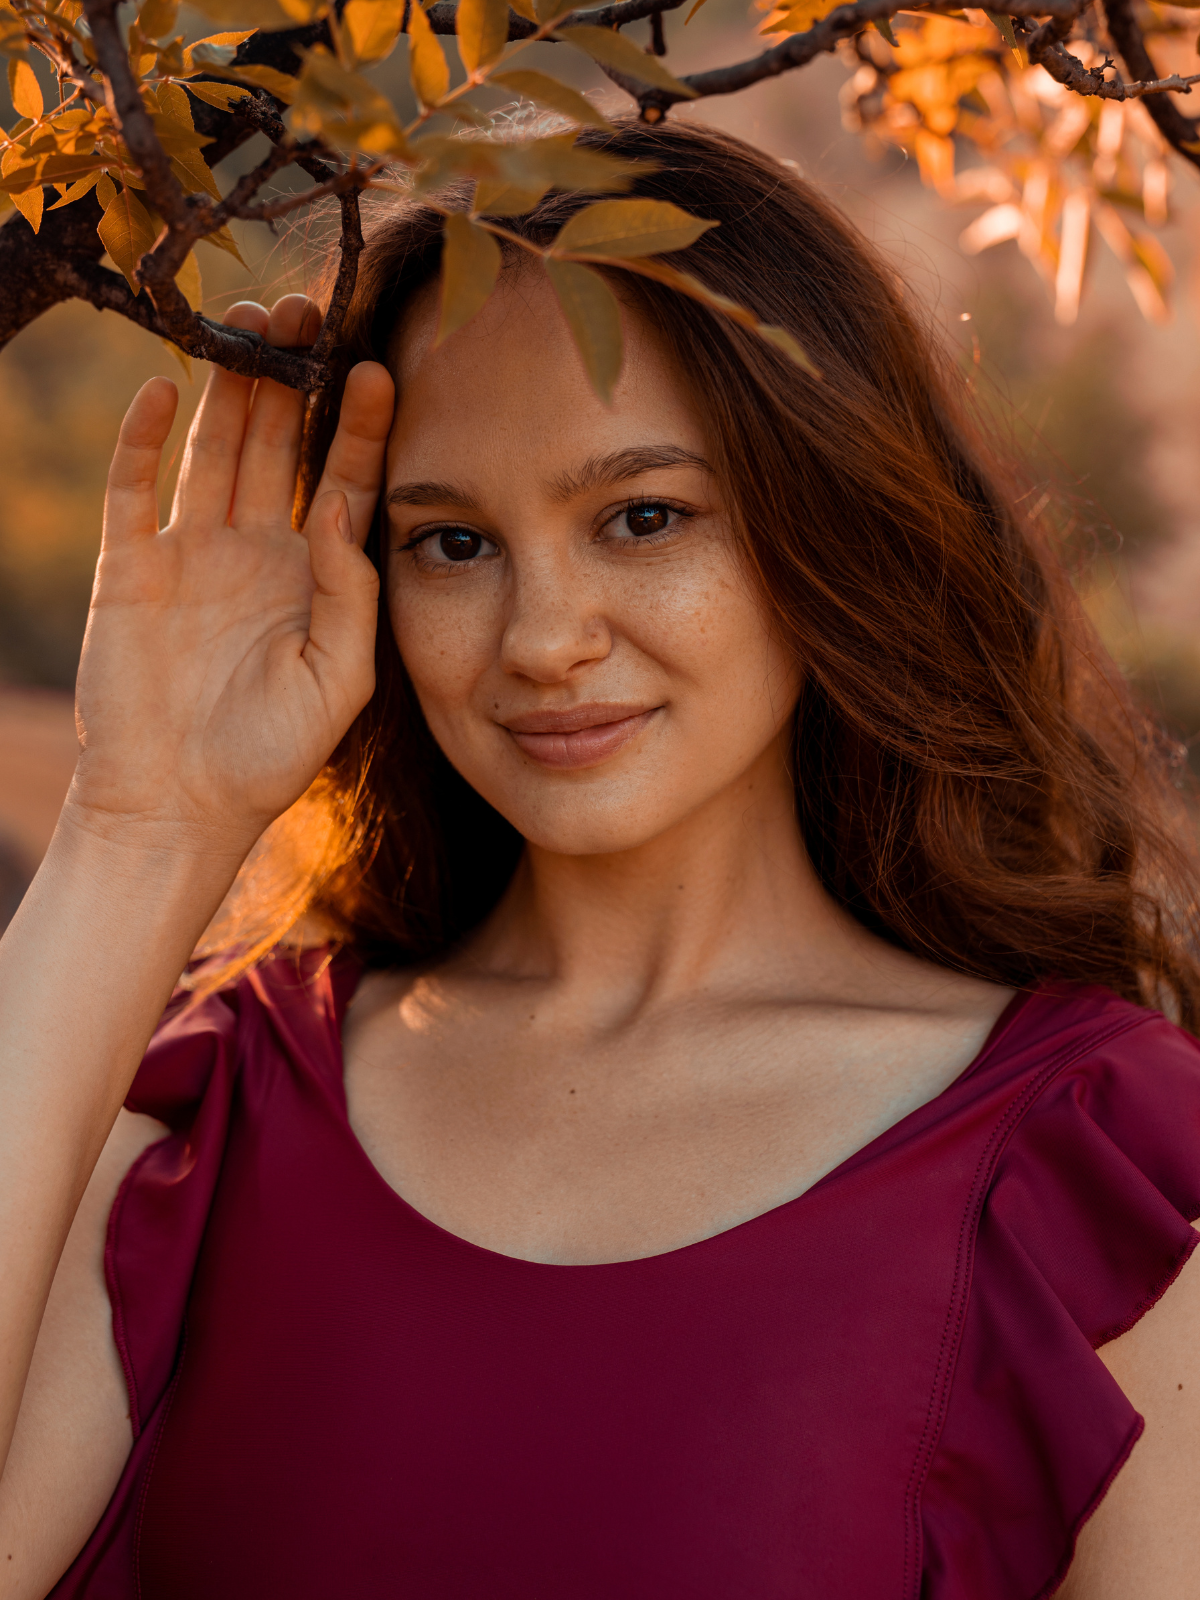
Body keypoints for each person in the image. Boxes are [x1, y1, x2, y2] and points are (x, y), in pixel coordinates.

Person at [0, 115, 1198, 1600]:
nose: (543, 638)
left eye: (643, 518)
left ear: (821, 520)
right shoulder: (219, 1106)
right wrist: (138, 827)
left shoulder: (1097, 1164)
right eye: (452, 543)